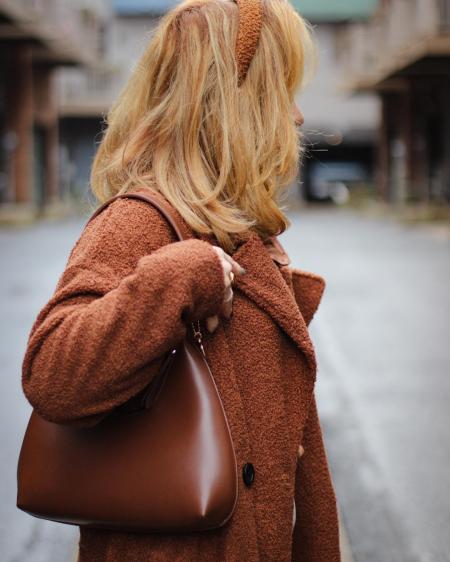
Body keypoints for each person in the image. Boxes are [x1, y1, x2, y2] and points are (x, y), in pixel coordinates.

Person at [21, 0, 341, 560]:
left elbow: (298, 455)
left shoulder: (237, 231)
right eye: (282, 90)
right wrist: (180, 278)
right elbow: (52, 375)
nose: (297, 116)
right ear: (234, 104)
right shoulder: (137, 221)